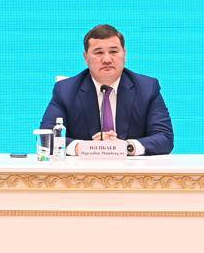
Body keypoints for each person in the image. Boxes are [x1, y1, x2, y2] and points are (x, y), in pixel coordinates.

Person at [40, 24, 174, 156]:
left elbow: (164, 137)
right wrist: (82, 147)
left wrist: (126, 147)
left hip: (132, 168)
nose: (107, 59)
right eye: (98, 53)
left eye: (113, 52)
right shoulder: (65, 90)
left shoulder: (147, 88)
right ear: (86, 58)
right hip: (83, 168)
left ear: (124, 54)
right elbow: (47, 136)